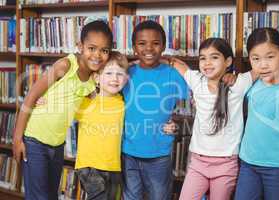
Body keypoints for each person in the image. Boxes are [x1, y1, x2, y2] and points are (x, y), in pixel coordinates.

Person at [168, 36, 279, 200]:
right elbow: (175, 63)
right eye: (203, 58)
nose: (207, 63)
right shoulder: (197, 80)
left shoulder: (240, 83)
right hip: (198, 162)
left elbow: (268, 66)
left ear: (228, 61)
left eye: (214, 57)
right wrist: (135, 63)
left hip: (226, 163)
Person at [12, 20, 113, 200]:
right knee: (38, 197)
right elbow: (31, 97)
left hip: (57, 146)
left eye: (104, 50)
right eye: (92, 48)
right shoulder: (65, 66)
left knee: (51, 195)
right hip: (35, 141)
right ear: (80, 46)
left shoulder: (92, 80)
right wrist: (17, 139)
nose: (97, 55)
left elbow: (96, 106)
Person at [121, 20, 188, 200]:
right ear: (134, 47)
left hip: (159, 153)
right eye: (142, 44)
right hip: (128, 152)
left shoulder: (173, 74)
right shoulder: (126, 73)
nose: (149, 49)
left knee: (159, 196)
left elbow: (193, 106)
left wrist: (177, 124)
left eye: (156, 43)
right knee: (130, 196)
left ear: (164, 46)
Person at [234, 27, 279, 200]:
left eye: (270, 57)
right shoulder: (252, 83)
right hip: (249, 163)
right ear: (249, 60)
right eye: (256, 59)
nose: (263, 64)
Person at [74, 51, 129, 200]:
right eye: (109, 73)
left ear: (126, 79)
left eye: (120, 74)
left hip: (113, 166)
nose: (114, 79)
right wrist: (44, 101)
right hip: (89, 167)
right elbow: (62, 107)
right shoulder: (85, 103)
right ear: (97, 78)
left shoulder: (123, 103)